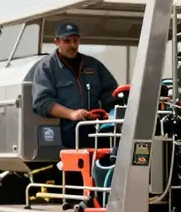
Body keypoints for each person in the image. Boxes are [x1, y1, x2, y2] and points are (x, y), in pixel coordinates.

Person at [31, 21, 119, 150]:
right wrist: (72, 114)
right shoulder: (47, 67)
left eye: (75, 40)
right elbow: (42, 102)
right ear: (56, 42)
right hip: (66, 138)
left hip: (97, 136)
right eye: (67, 41)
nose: (73, 45)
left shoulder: (93, 65)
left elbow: (112, 95)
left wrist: (103, 113)